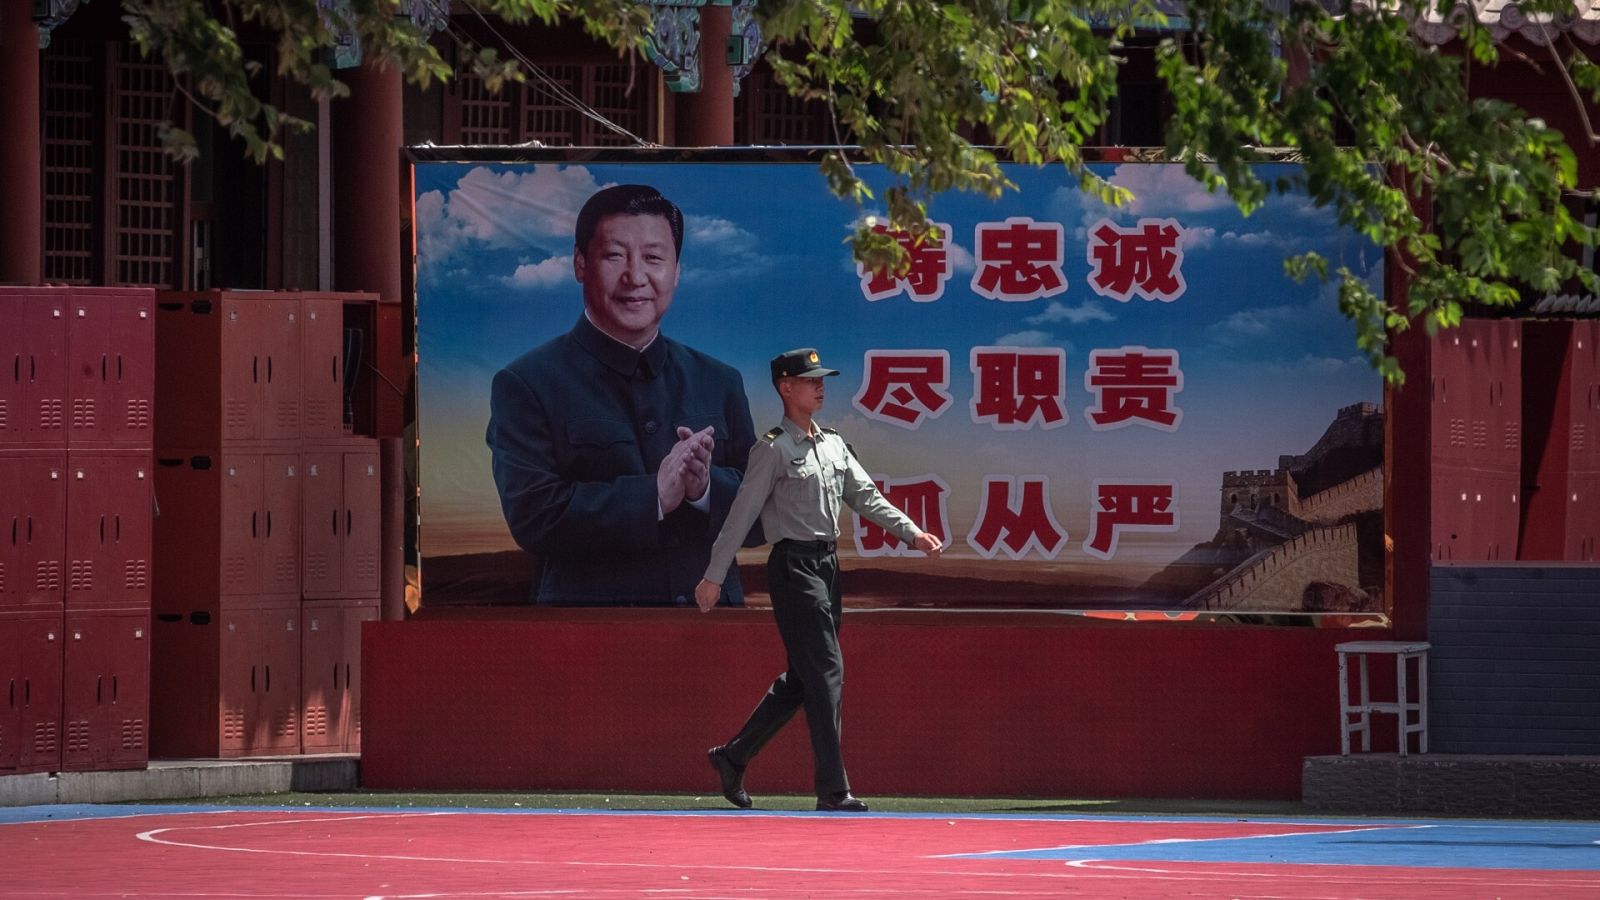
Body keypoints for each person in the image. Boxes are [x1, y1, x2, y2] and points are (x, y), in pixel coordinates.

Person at [695, 348, 944, 811]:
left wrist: (911, 532)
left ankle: (734, 756)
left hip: (827, 568)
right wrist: (714, 575)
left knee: (806, 677)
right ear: (786, 388)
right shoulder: (772, 449)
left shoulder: (831, 443)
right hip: (792, 568)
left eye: (822, 379)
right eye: (810, 380)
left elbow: (865, 496)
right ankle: (833, 789)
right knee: (827, 671)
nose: (820, 386)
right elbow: (740, 516)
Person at [487, 184, 757, 605]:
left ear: (676, 270)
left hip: (711, 632)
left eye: (653, 258)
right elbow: (534, 518)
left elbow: (764, 517)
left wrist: (705, 488)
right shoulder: (527, 383)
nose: (636, 277)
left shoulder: (719, 380)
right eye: (615, 256)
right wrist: (654, 496)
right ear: (580, 264)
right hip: (588, 638)